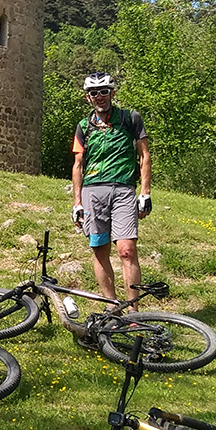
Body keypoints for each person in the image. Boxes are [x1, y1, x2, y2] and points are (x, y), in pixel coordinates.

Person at [70, 72, 152, 305]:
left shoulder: (130, 118)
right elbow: (77, 165)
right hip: (92, 192)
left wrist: (144, 193)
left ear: (112, 93)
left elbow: (145, 156)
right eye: (93, 93)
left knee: (126, 250)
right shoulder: (84, 126)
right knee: (99, 249)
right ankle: (112, 307)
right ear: (88, 98)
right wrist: (77, 203)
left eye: (104, 91)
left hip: (123, 190)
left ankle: (133, 311)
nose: (99, 97)